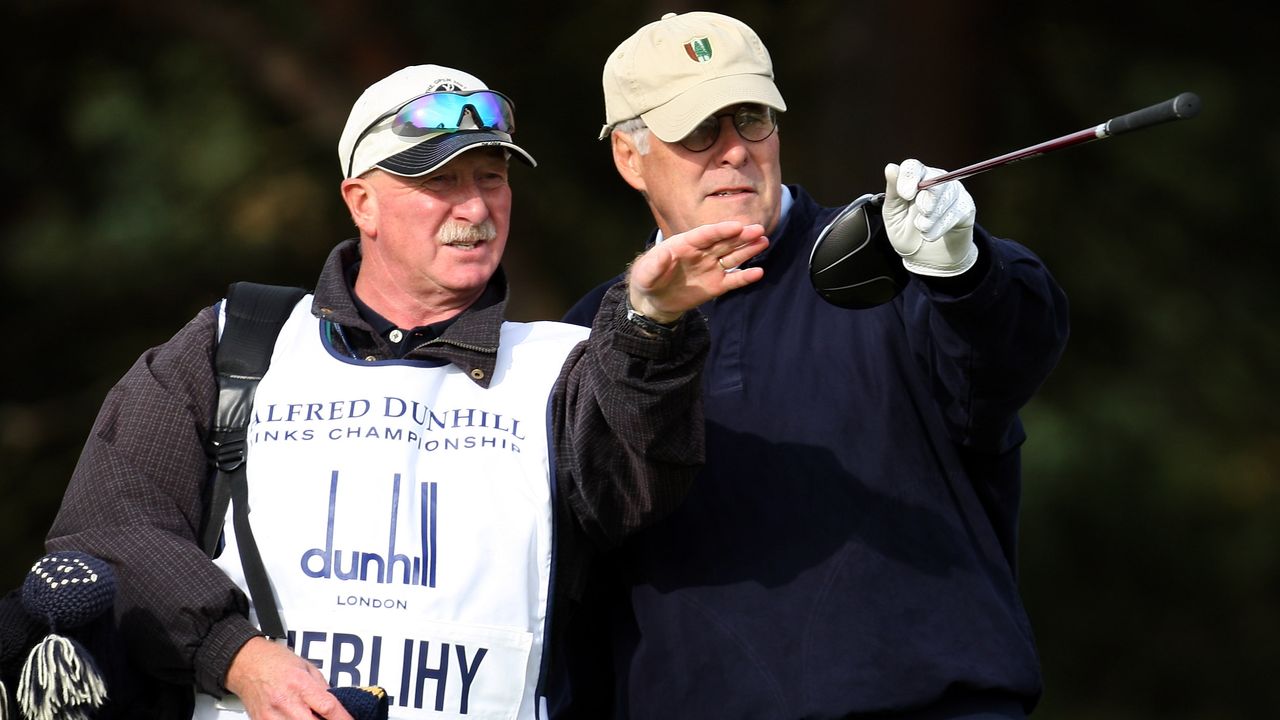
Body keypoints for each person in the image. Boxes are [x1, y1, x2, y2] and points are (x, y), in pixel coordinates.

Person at [40, 63, 767, 720]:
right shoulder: (236, 345)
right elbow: (108, 527)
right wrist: (237, 656)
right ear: (363, 203)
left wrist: (651, 325)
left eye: (491, 177)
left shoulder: (564, 365)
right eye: (438, 181)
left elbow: (637, 485)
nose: (476, 209)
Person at [556, 11, 1071, 720]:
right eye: (697, 130)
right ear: (629, 156)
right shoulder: (585, 339)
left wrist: (964, 268)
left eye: (751, 118)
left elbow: (1008, 354)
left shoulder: (896, 261)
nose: (733, 151)